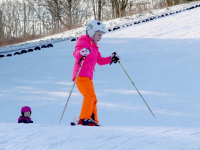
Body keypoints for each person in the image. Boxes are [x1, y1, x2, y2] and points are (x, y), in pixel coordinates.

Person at [72, 20, 120, 126]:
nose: (100, 37)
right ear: (91, 32)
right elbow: (75, 53)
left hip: (88, 77)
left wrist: (111, 58)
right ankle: (84, 118)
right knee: (89, 96)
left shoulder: (94, 47)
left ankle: (92, 120)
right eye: (98, 35)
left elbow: (100, 61)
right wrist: (81, 52)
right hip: (80, 74)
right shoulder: (82, 41)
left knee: (93, 98)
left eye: (101, 35)